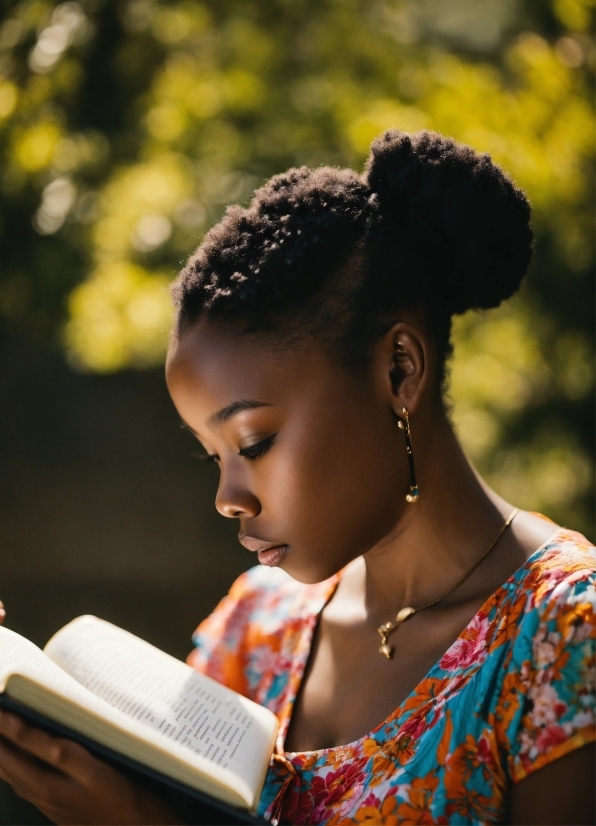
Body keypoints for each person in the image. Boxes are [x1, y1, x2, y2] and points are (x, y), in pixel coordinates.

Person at [0, 129, 593, 825]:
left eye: (254, 441)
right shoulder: (256, 630)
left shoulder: (562, 637)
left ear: (399, 369)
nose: (228, 498)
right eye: (211, 454)